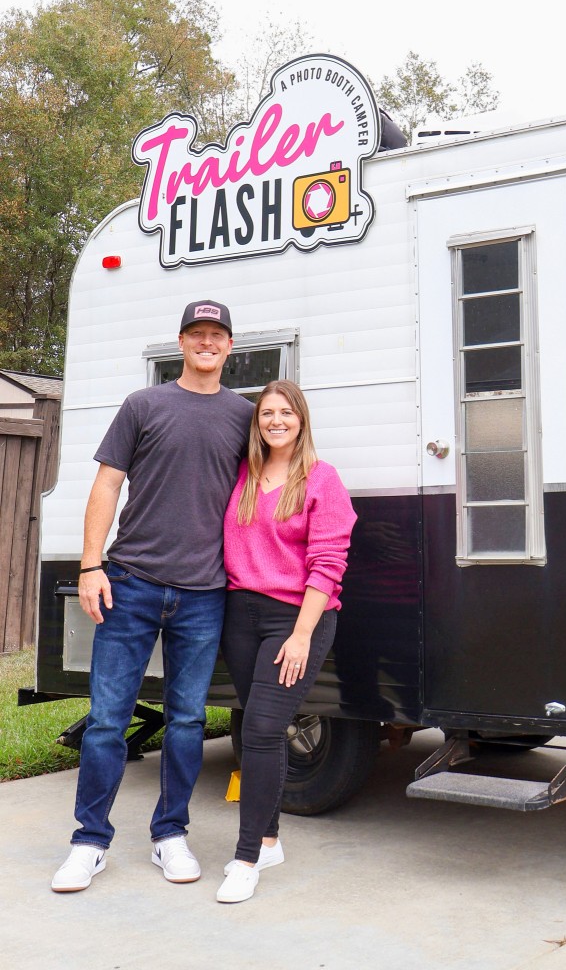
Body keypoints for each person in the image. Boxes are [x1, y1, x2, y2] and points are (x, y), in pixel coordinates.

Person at [51, 301, 254, 893]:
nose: (207, 343)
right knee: (108, 722)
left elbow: (264, 494)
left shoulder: (243, 417)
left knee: (188, 720)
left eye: (217, 335)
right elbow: (107, 484)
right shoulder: (145, 405)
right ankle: (89, 843)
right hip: (132, 583)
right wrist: (91, 566)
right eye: (198, 334)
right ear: (182, 342)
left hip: (205, 592)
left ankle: (171, 835)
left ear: (229, 346)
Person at [215, 379, 356, 904]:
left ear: (301, 420)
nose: (276, 420)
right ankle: (270, 840)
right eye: (266, 412)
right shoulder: (243, 475)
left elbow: (329, 563)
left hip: (296, 619)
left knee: (263, 727)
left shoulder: (322, 479)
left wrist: (301, 635)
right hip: (239, 613)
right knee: (261, 732)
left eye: (286, 412)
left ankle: (248, 856)